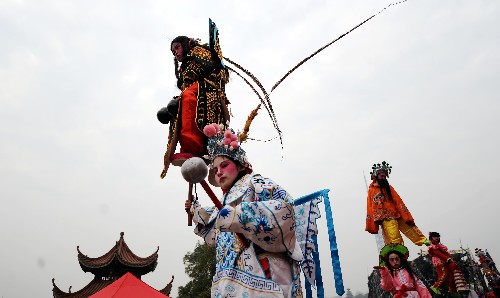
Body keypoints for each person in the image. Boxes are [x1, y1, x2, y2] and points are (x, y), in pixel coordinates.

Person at [185, 123, 303, 297]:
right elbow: (214, 234)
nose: (218, 173)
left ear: (240, 165)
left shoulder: (255, 183)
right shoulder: (223, 200)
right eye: (216, 169)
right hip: (228, 277)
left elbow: (284, 211)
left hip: (260, 274)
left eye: (224, 165)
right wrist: (196, 211)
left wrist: (239, 217)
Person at [162, 35, 229, 159]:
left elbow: (204, 66)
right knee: (177, 109)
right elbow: (184, 81)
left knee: (187, 97)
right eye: (173, 51)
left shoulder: (199, 51)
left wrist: (185, 81)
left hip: (208, 87)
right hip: (196, 89)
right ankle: (186, 147)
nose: (175, 52)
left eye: (177, 47)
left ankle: (194, 145)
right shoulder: (184, 66)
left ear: (187, 44)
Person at [365, 161, 430, 247]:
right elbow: (370, 206)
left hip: (397, 213)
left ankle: (423, 240)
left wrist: (405, 214)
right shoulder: (372, 190)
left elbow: (398, 200)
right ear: (377, 176)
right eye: (381, 176)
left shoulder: (389, 187)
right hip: (385, 217)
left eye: (384, 176)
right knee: (393, 236)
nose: (383, 178)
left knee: (409, 227)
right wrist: (371, 222)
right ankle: (399, 252)